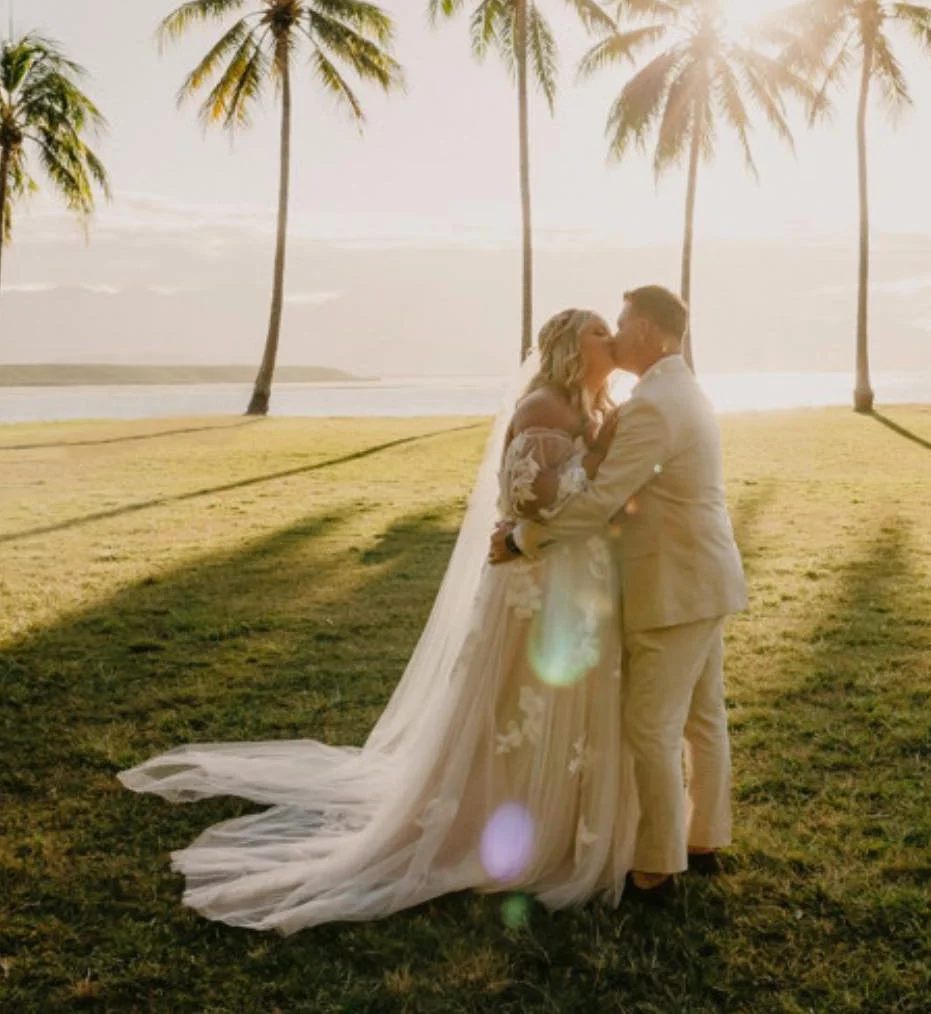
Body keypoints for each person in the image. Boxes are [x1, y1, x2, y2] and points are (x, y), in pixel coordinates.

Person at [118, 308, 637, 931]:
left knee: (566, 701)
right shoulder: (544, 407)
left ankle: (564, 812)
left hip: (575, 583)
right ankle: (498, 818)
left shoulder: (595, 406)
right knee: (512, 704)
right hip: (533, 585)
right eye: (598, 331)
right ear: (567, 346)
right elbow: (530, 495)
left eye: (613, 329)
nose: (611, 339)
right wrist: (598, 459)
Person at [493, 286, 747, 903]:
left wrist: (525, 539)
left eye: (626, 324)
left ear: (655, 334)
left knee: (652, 725)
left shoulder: (654, 405)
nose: (618, 336)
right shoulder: (678, 389)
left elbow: (603, 500)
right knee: (701, 715)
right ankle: (706, 836)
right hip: (705, 576)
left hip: (675, 583)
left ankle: (657, 865)